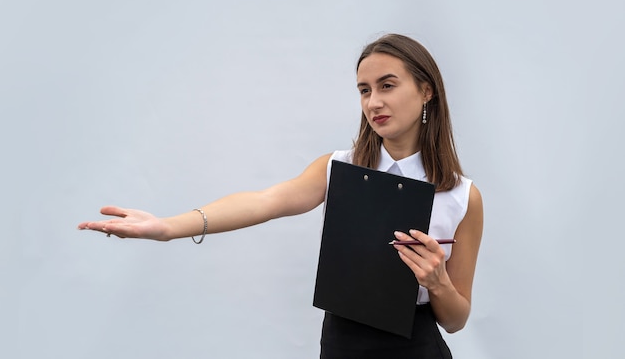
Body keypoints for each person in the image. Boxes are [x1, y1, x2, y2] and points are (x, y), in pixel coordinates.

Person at [78, 33, 483, 358]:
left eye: (387, 85)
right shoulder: (337, 169)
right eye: (364, 90)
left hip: (418, 346)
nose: (373, 102)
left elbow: (456, 319)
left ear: (426, 90)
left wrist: (439, 283)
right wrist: (166, 227)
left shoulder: (462, 196)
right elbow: (264, 201)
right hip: (343, 344)